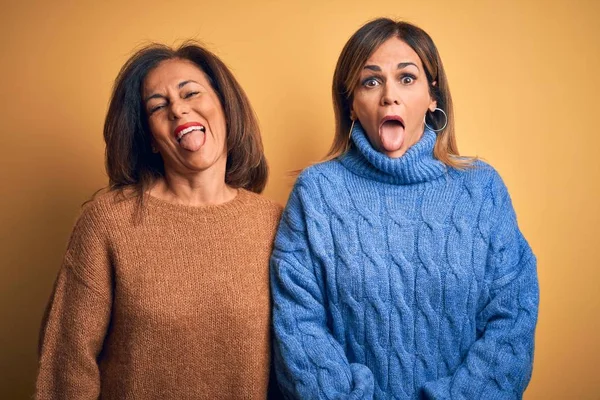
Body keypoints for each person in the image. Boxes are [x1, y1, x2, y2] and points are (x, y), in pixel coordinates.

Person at [271, 18, 539, 399]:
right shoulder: (316, 194)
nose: (389, 96)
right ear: (350, 104)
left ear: (433, 97)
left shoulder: (482, 190)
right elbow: (298, 326)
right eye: (371, 81)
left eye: (407, 78)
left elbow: (513, 320)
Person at [36, 42, 282, 399]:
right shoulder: (107, 222)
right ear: (151, 140)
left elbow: (296, 360)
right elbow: (67, 365)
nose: (179, 110)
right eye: (158, 106)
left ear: (226, 109)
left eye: (190, 93)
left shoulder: (273, 223)